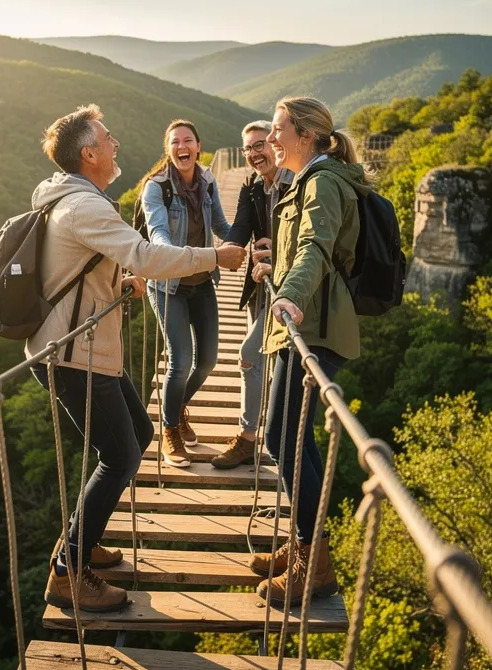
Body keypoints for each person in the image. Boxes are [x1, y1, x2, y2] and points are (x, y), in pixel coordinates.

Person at [28, 104, 246, 612]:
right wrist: (217, 258)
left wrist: (117, 281)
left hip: (89, 349)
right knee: (122, 455)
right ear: (89, 153)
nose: (116, 143)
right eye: (108, 138)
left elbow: (83, 265)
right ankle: (68, 572)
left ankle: (86, 543)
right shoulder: (85, 206)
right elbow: (148, 253)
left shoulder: (76, 199)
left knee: (141, 436)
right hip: (72, 354)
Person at [249, 96, 369, 608]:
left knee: (283, 436)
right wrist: (271, 268)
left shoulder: (321, 182)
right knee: (293, 440)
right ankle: (305, 546)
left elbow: (317, 250)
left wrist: (288, 297)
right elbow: (303, 248)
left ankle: (313, 563)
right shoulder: (310, 179)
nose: (271, 139)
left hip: (313, 326)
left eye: (277, 130)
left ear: (303, 135)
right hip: (305, 320)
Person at [140, 120, 232, 468]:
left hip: (203, 283)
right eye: (175, 141)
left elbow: (221, 226)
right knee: (180, 361)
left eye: (188, 140)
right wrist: (178, 257)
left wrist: (253, 241)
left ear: (198, 146)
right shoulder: (156, 188)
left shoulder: (208, 181)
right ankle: (169, 429)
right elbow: (158, 233)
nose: (182, 145)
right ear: (169, 149)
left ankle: (176, 409)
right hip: (168, 286)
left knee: (207, 361)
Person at [210, 121, 293, 469]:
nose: (255, 153)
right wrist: (221, 252)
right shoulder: (252, 185)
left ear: (275, 143)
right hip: (261, 284)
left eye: (260, 144)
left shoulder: (297, 182)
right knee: (261, 361)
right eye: (248, 149)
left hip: (291, 289)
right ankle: (268, 435)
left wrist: (280, 248)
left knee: (249, 354)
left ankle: (250, 439)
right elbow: (242, 227)